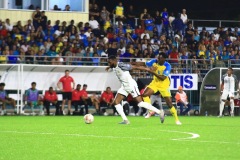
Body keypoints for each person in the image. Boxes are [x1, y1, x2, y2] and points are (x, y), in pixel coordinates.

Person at [106, 55, 164, 124]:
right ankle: (125, 120)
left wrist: (147, 69)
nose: (109, 64)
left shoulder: (121, 65)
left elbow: (135, 67)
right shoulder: (114, 66)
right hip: (124, 86)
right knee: (116, 102)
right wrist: (109, 67)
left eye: (109, 63)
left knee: (140, 103)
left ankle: (159, 112)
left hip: (131, 85)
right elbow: (113, 66)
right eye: (108, 63)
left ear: (114, 61)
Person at [132, 52, 182, 125]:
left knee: (169, 104)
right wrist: (134, 63)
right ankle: (150, 111)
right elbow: (144, 63)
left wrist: (152, 72)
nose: (158, 58)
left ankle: (177, 120)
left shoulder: (167, 65)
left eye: (160, 58)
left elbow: (163, 78)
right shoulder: (154, 61)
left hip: (164, 85)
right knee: (145, 94)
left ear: (164, 59)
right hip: (155, 83)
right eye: (158, 57)